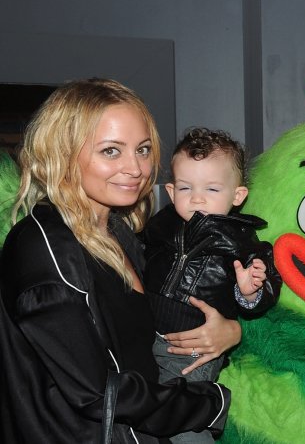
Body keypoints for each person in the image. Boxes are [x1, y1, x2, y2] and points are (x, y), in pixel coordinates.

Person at [0, 78, 239, 443]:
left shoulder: (122, 232)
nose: (136, 168)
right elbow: (100, 394)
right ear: (63, 153)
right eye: (111, 151)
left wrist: (231, 332)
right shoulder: (44, 246)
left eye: (142, 150)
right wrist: (212, 403)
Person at [143, 127, 281, 444]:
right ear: (170, 189)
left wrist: (249, 292)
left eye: (212, 189)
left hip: (195, 349)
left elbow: (267, 293)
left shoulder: (243, 242)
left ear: (237, 196)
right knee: (147, 419)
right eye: (186, 187)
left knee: (185, 426)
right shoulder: (160, 224)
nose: (197, 197)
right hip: (146, 336)